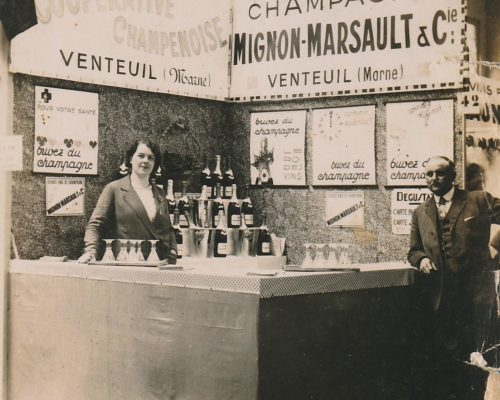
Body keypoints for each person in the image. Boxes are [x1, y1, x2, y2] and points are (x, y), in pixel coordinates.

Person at [408, 156, 500, 399]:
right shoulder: (420, 211)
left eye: (439, 174)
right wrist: (421, 260)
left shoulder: (478, 200)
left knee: (480, 357)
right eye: (429, 174)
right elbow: (413, 249)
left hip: (475, 294)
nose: (434, 179)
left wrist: (495, 247)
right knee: (447, 358)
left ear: (452, 176)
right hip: (439, 297)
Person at [78, 139, 177, 264]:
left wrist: (173, 250)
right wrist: (91, 251)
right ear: (131, 159)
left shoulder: (160, 193)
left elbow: (168, 228)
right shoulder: (114, 189)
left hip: (160, 263)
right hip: (127, 262)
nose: (145, 161)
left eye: (151, 158)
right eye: (141, 156)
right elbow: (95, 225)